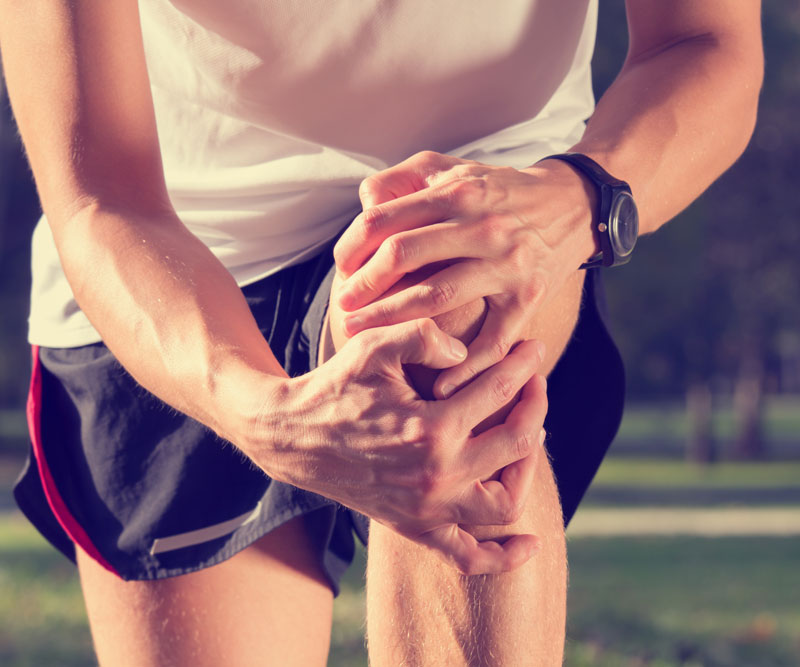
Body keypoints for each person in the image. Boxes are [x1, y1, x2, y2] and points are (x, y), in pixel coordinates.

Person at [0, 1, 762, 665]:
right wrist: (261, 417)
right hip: (175, 264)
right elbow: (100, 196)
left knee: (445, 327)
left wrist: (580, 196)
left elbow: (705, 41)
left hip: (491, 194)